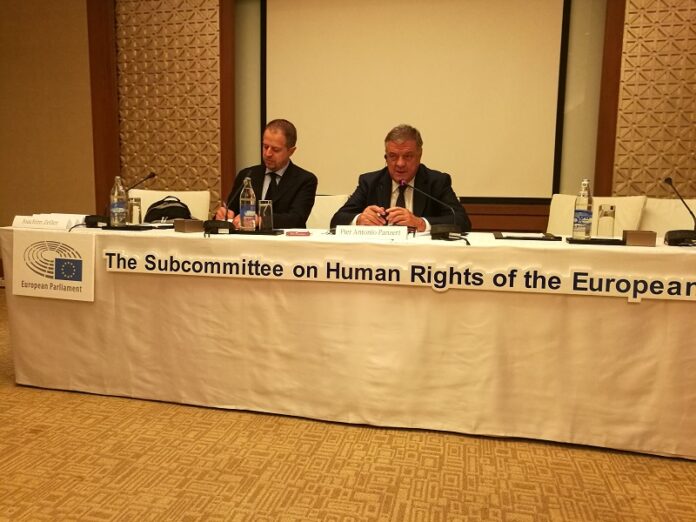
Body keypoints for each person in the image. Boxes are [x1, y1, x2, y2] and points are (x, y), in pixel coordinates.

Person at [330, 124, 471, 232]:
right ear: (386, 157)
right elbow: (336, 220)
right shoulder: (370, 182)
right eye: (393, 156)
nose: (400, 164)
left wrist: (420, 223)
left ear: (419, 156)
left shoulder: (436, 182)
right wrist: (359, 219)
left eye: (408, 156)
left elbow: (462, 221)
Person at [215, 119, 317, 229]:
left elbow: (296, 219)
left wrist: (260, 220)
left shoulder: (305, 180)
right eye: (265, 146)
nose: (268, 153)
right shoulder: (247, 175)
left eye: (275, 149)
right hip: (247, 242)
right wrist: (224, 215)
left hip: (285, 243)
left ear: (291, 151)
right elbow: (232, 210)